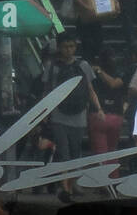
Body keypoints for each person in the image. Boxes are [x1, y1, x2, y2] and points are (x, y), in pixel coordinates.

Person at [42, 30, 103, 202]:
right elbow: (47, 91)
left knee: (76, 151)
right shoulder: (52, 67)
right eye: (65, 47)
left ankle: (74, 182)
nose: (69, 50)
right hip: (58, 115)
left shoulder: (83, 65)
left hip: (78, 115)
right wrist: (44, 112)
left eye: (71, 46)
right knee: (64, 152)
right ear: (59, 48)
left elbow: (90, 90)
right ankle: (65, 188)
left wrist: (98, 108)